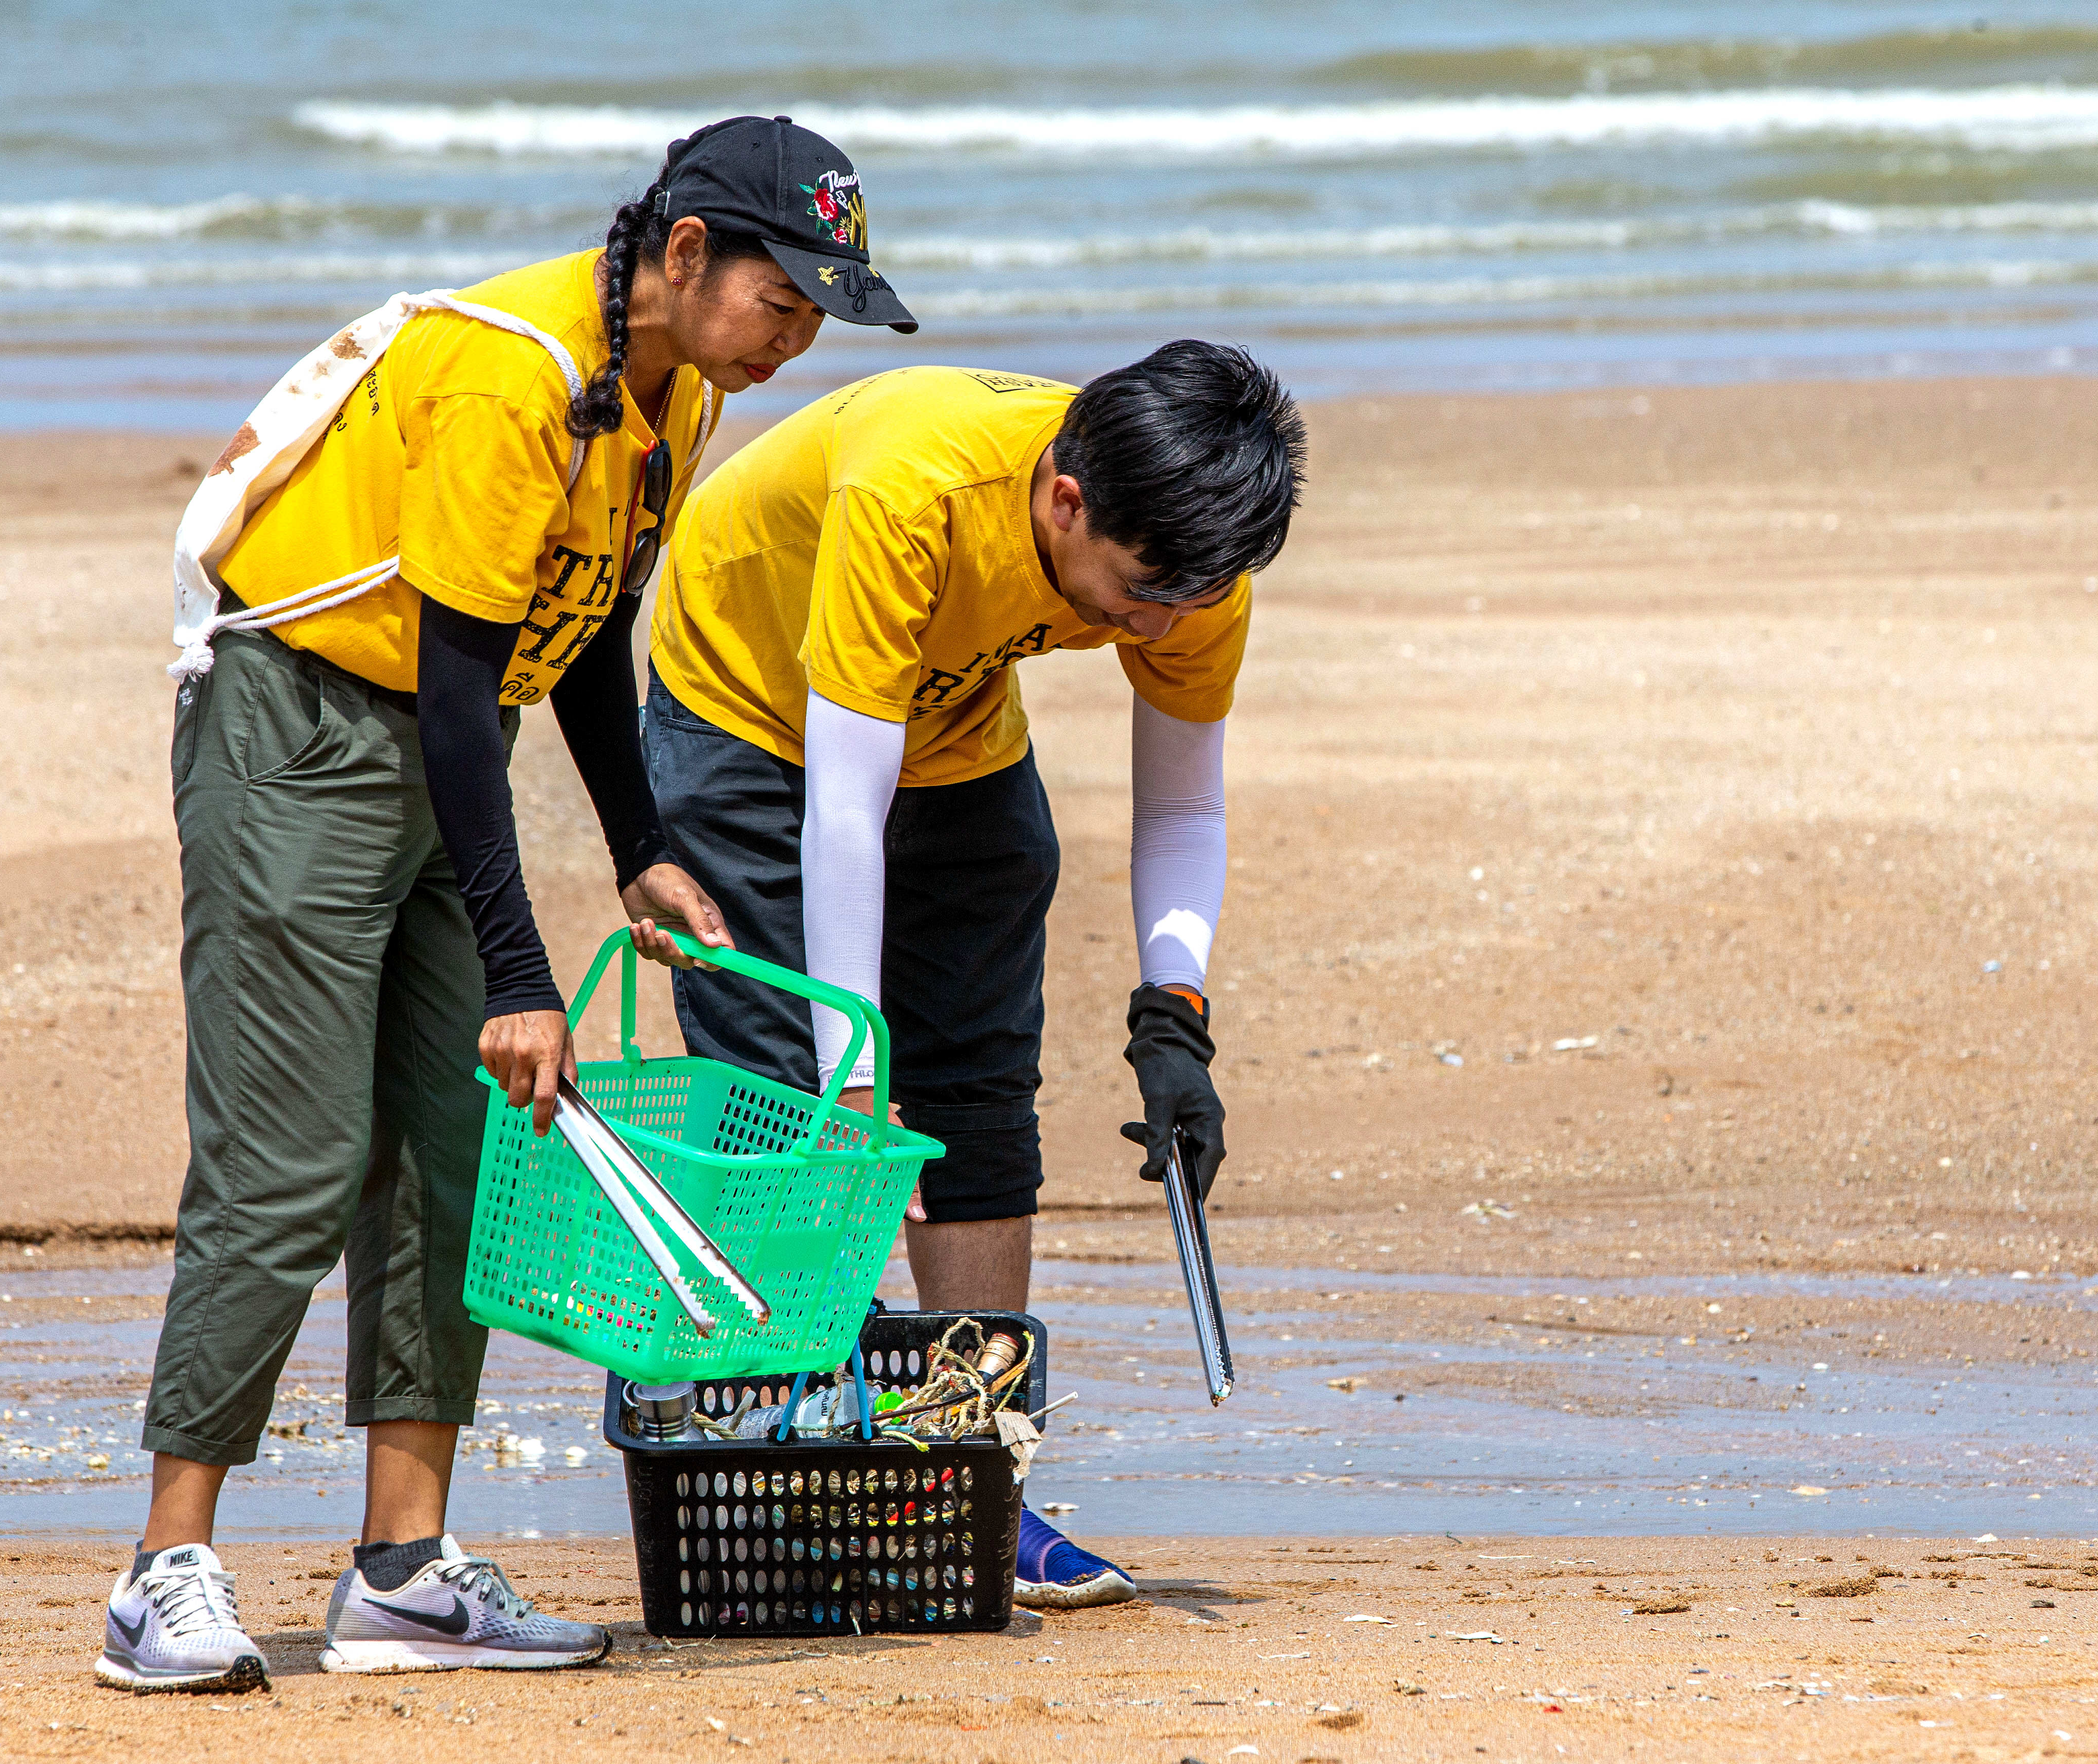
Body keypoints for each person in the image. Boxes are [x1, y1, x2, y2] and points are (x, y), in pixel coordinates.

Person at [105, 117, 918, 1693]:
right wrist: (524, 968)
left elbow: (591, 627)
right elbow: (468, 686)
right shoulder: (516, 379)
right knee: (291, 1156)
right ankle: (164, 1570)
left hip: (438, 747)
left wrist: (642, 844)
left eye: (822, 316)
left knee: (452, 1153)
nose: (797, 340)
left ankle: (401, 1572)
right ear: (687, 256)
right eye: (785, 301)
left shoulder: (676, 390)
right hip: (304, 728)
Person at [643, 341, 1304, 1607]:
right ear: (1064, 501)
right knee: (781, 1082)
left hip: (949, 718)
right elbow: (842, 810)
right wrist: (846, 1079)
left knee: (975, 1074)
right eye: (1140, 592)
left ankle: (969, 1467)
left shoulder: (1193, 555)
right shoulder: (917, 488)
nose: (1161, 625)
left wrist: (1177, 1013)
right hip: (747, 695)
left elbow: (1180, 808)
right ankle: (809, 1462)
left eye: (1190, 598)